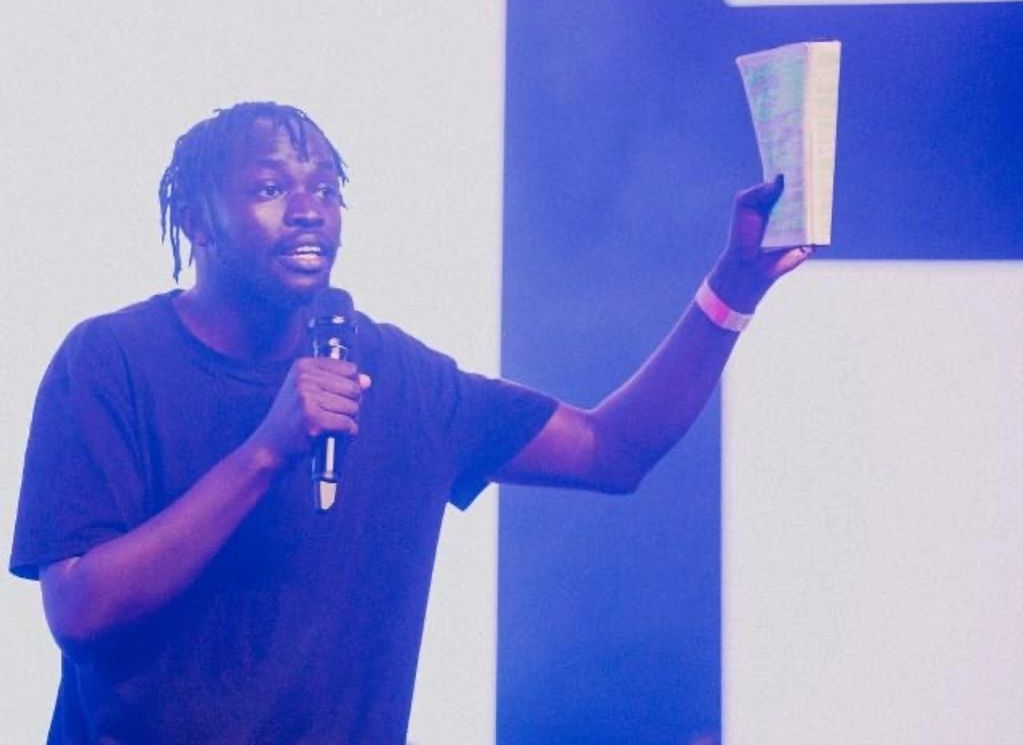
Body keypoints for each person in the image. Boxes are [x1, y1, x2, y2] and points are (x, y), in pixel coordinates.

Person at [9, 102, 810, 744]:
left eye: (326, 190)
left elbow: (613, 450)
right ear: (196, 218)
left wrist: (733, 287)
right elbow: (79, 610)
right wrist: (266, 451)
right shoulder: (110, 361)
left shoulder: (397, 378)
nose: (308, 211)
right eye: (271, 188)